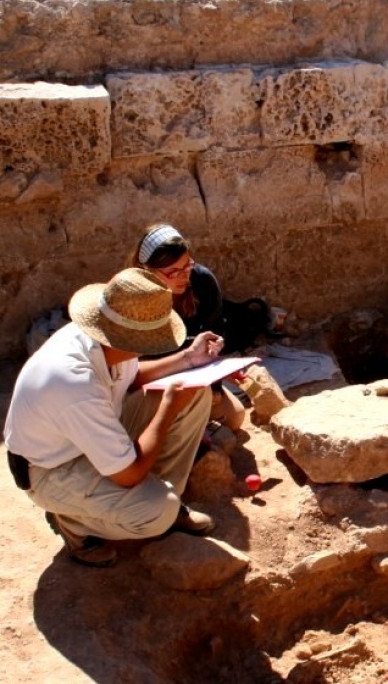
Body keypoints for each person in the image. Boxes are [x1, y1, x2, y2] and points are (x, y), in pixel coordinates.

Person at [4, 268, 226, 567]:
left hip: (83, 436)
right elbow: (130, 473)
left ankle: (159, 498)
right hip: (50, 469)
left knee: (194, 393)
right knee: (157, 511)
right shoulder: (73, 382)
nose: (157, 344)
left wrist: (189, 359)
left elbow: (131, 378)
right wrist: (168, 407)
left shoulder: (104, 338)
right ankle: (74, 522)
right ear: (130, 338)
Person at [131, 223, 245, 431]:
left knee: (234, 416)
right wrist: (186, 359)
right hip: (153, 378)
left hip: (193, 375)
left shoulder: (201, 281)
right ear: (147, 271)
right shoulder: (132, 297)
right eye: (172, 272)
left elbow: (215, 334)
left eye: (186, 266)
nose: (184, 276)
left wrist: (215, 385)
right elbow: (131, 371)